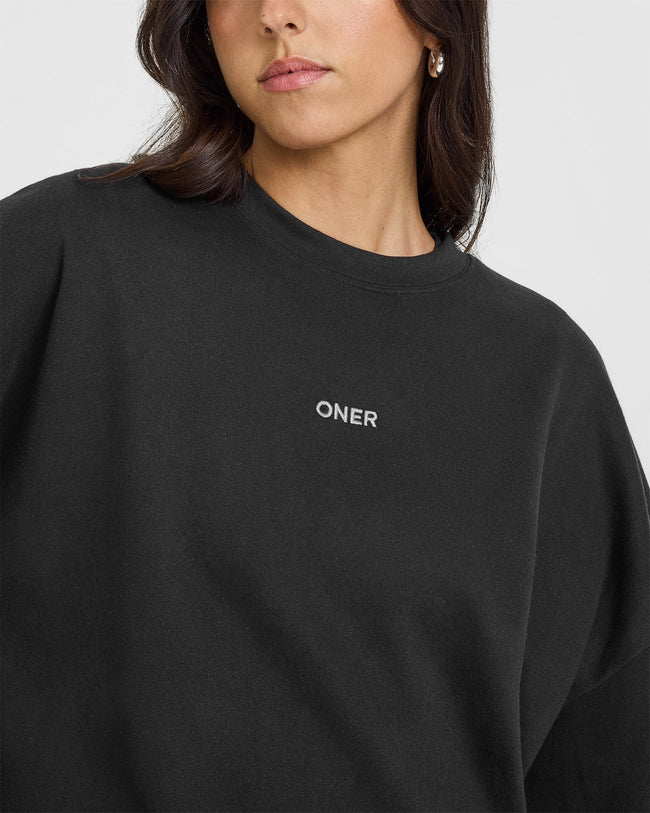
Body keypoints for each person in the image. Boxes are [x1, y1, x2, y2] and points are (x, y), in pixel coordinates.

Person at [1, 0, 648, 811]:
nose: (276, 14)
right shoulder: (64, 257)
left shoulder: (546, 380)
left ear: (436, 23)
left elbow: (606, 771)